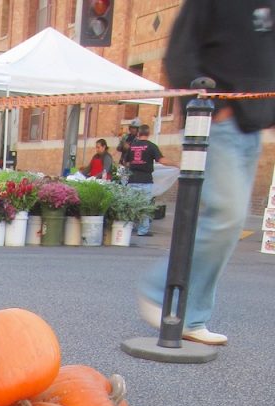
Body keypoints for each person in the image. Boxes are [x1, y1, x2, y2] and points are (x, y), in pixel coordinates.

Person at [138, 0, 275, 346]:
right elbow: (179, 54)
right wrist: (214, 109)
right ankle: (158, 292)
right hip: (217, 121)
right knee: (225, 216)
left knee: (231, 224)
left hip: (252, 127)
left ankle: (193, 314)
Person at [124, 125, 173, 236]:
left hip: (132, 180)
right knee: (145, 207)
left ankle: (127, 228)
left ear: (138, 133)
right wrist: (177, 164)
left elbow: (125, 162)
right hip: (145, 180)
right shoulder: (151, 146)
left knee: (131, 206)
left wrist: (133, 165)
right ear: (148, 133)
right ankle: (142, 231)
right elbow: (162, 160)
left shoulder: (132, 146)